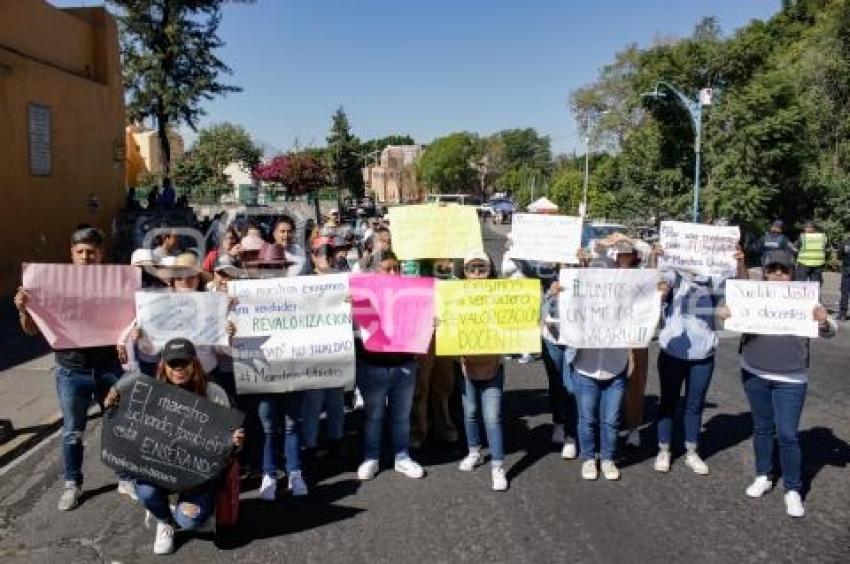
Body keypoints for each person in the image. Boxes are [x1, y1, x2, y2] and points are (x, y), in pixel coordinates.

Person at [14, 227, 127, 511]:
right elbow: (29, 332)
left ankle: (125, 477)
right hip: (70, 372)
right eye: (81, 252)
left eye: (92, 252)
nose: (86, 257)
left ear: (101, 254)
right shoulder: (52, 285)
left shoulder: (116, 284)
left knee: (119, 424)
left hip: (108, 368)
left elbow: (132, 321)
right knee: (71, 431)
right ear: (72, 254)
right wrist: (24, 310)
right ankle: (72, 483)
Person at [719, 250, 836, 518]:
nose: (778, 275)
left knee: (787, 434)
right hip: (754, 372)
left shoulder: (805, 296)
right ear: (765, 271)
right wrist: (723, 312)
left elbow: (829, 331)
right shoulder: (753, 294)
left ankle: (793, 488)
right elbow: (729, 314)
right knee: (762, 428)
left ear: (792, 272)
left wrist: (824, 322)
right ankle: (763, 474)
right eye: (773, 269)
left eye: (784, 270)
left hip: (791, 378)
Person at [104, 338, 245, 554]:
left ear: (194, 364)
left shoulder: (214, 392)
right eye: (172, 364)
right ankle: (164, 520)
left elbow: (229, 440)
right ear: (163, 366)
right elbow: (125, 423)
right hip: (160, 471)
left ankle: (191, 512)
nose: (179, 369)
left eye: (184, 363)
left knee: (189, 521)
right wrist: (113, 405)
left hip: (199, 476)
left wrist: (235, 442)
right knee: (146, 492)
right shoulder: (149, 392)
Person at [653, 241, 748, 475]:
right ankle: (664, 449)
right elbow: (656, 290)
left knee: (694, 406)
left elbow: (744, 286)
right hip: (673, 352)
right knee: (668, 402)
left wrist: (740, 261)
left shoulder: (713, 280)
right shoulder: (673, 276)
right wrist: (656, 261)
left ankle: (692, 451)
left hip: (703, 354)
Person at [239, 244, 307, 500]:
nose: (271, 271)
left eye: (276, 267)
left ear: (283, 270)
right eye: (266, 267)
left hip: (293, 369)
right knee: (267, 427)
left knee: (291, 425)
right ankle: (269, 473)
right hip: (263, 373)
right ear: (259, 270)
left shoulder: (298, 296)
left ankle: (295, 472)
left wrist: (339, 304)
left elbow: (321, 318)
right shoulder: (246, 297)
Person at [355, 251, 425, 480]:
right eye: (388, 268)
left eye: (396, 267)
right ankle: (371, 457)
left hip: (404, 366)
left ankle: (402, 457)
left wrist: (428, 322)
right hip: (372, 366)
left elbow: (418, 325)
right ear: (375, 271)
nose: (394, 272)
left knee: (401, 417)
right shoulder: (363, 296)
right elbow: (360, 329)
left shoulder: (411, 293)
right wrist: (350, 306)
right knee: (374, 416)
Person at [455, 253, 508, 491]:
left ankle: (497, 466)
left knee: (492, 417)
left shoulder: (502, 296)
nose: (477, 273)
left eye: (482, 268)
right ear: (464, 272)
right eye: (472, 269)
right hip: (466, 366)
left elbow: (517, 323)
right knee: (470, 413)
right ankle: (474, 451)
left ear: (491, 270)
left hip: (493, 366)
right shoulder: (453, 297)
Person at [300, 242, 346, 455]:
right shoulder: (303, 284)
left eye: (330, 253)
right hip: (312, 352)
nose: (326, 257)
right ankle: (311, 442)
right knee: (314, 401)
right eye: (321, 253)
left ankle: (336, 438)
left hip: (337, 349)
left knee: (336, 399)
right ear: (313, 256)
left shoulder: (343, 280)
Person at [411, 258, 460, 447]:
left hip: (445, 328)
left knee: (444, 381)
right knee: (420, 383)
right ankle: (417, 429)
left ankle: (444, 424)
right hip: (420, 327)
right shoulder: (412, 260)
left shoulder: (450, 259)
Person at [836, 232, 850, 321]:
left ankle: (843, 314)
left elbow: (839, 256)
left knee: (845, 292)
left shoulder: (845, 244)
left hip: (847, 269)